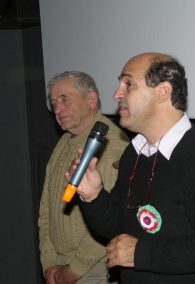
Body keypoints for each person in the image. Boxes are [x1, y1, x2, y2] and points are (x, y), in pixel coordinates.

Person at [66, 52, 195, 283]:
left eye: (128, 84)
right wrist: (93, 196)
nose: (116, 94)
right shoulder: (134, 153)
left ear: (163, 92)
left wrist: (141, 254)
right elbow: (119, 228)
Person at [38, 71, 129, 284]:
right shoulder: (64, 142)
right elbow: (46, 210)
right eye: (53, 103)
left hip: (93, 270)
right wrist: (49, 263)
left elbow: (110, 220)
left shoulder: (112, 146)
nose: (57, 109)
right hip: (60, 267)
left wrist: (72, 271)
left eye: (64, 99)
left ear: (91, 100)